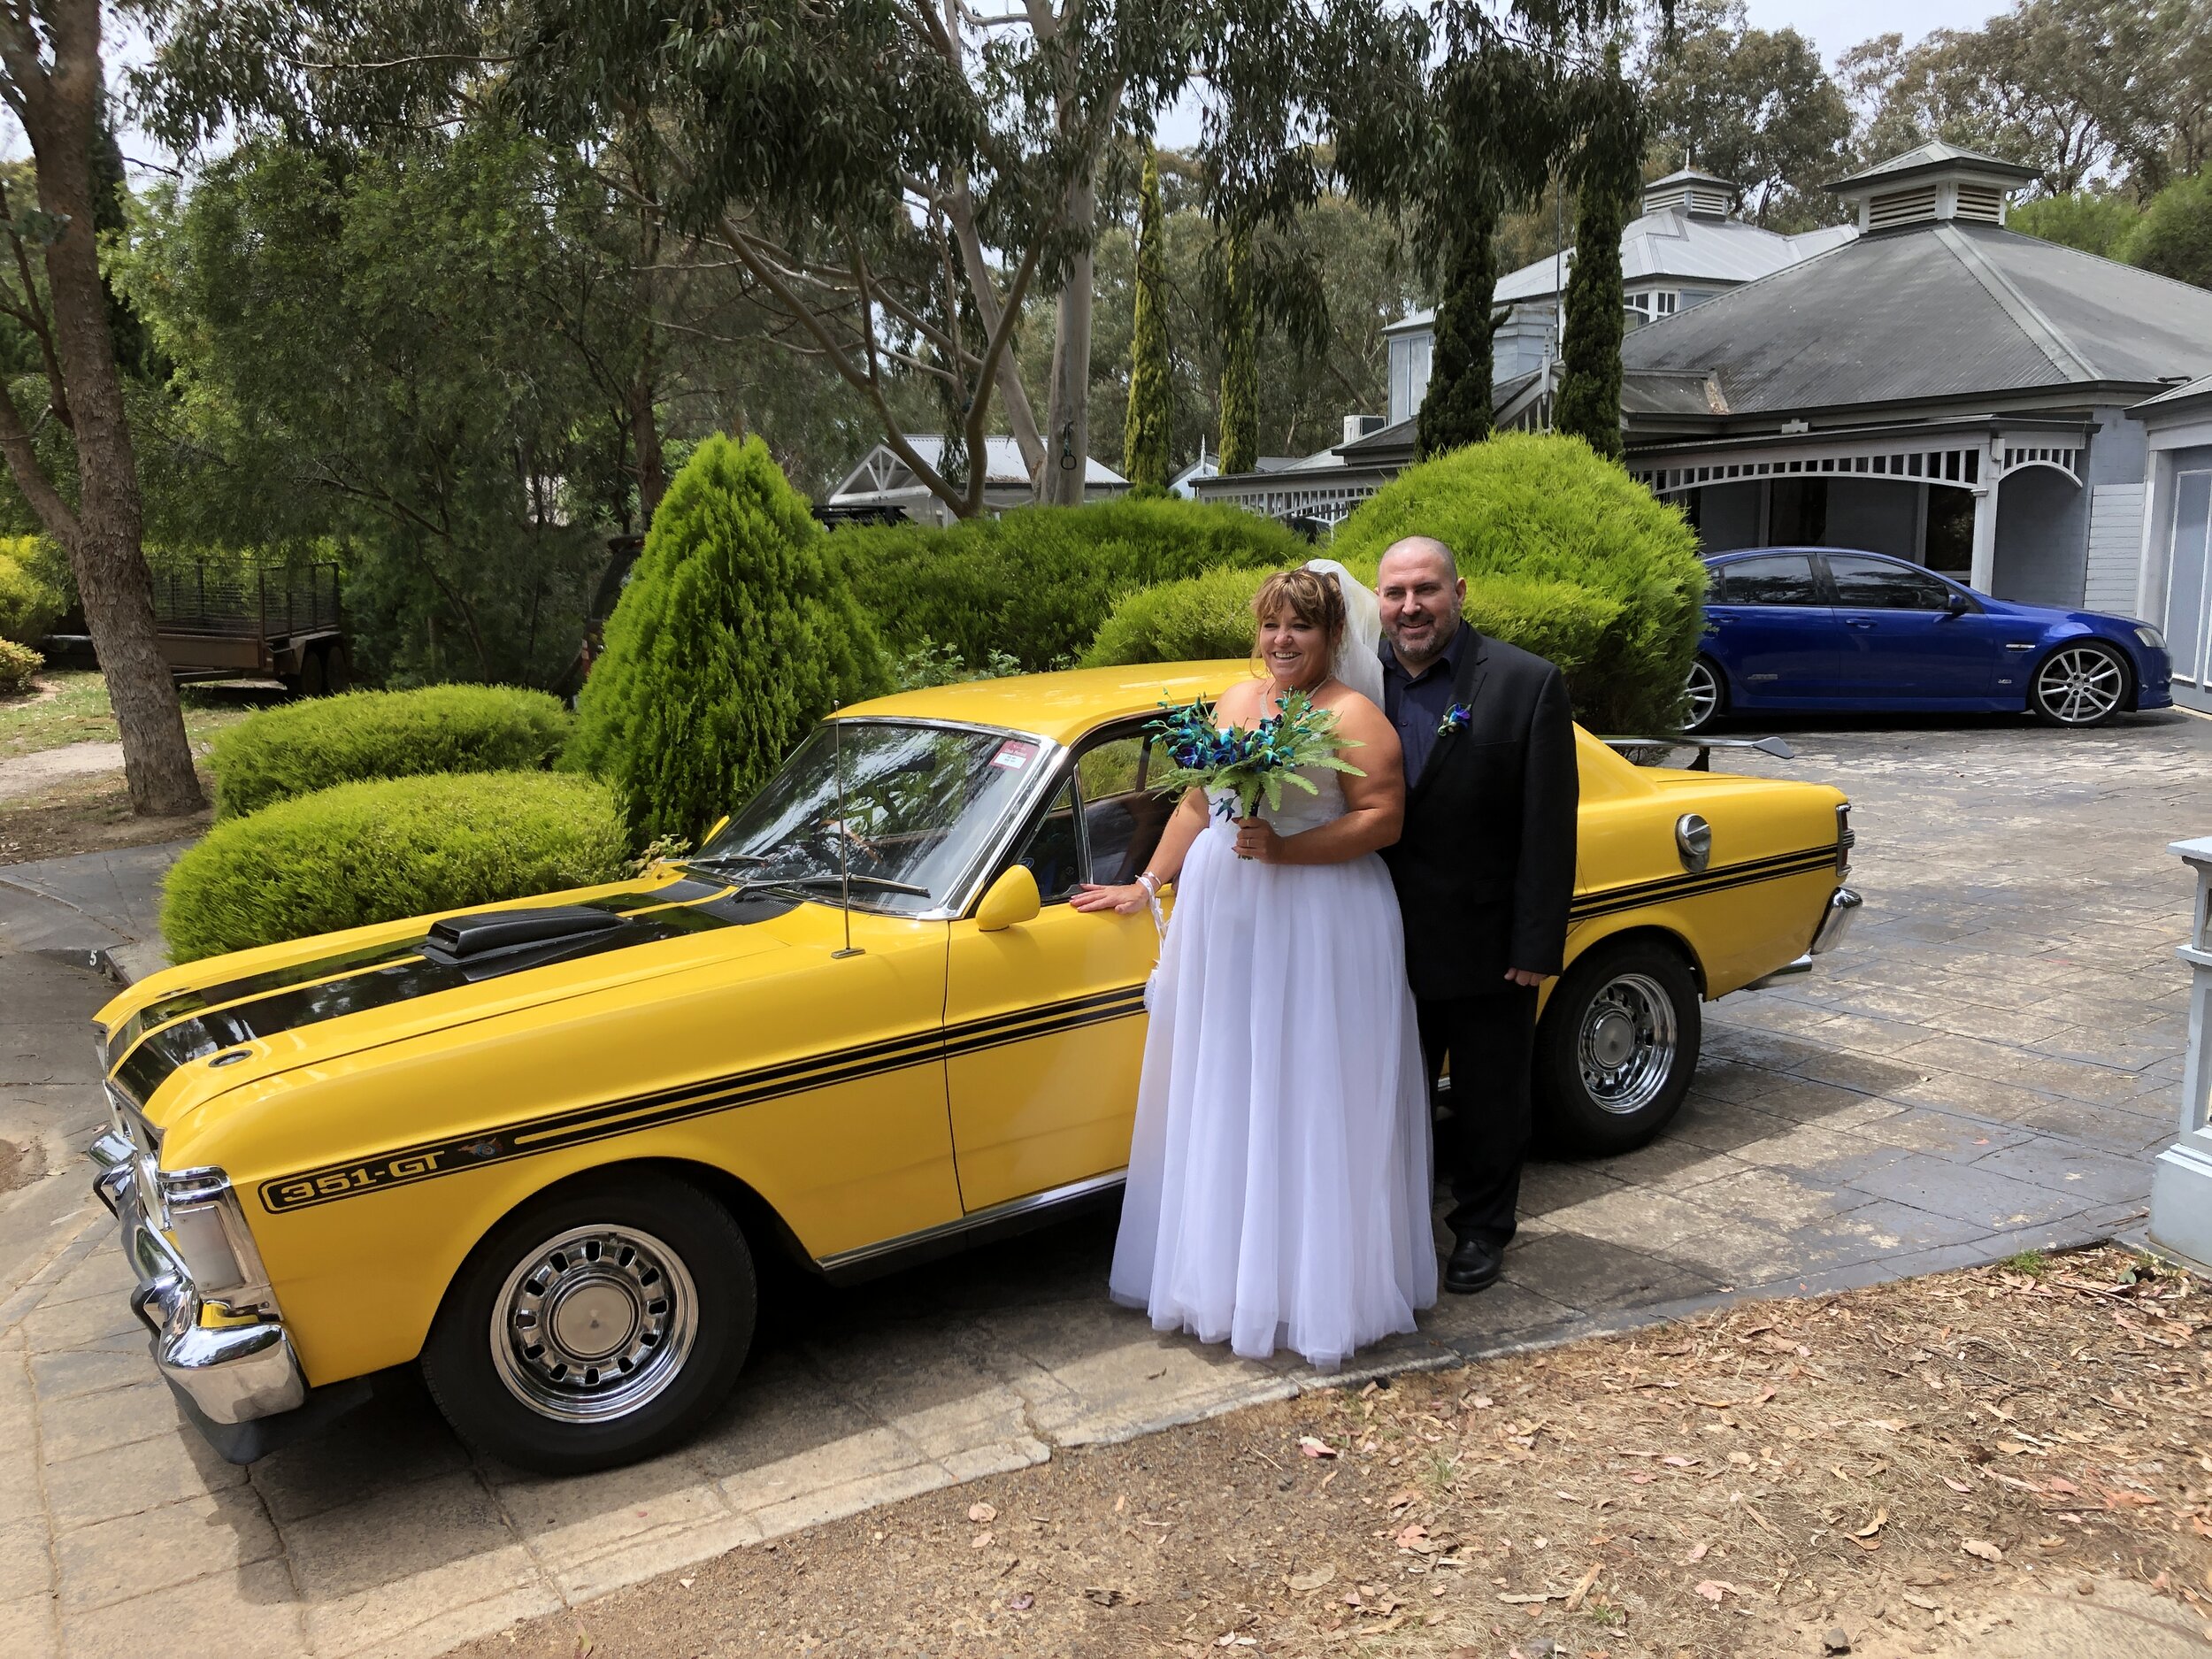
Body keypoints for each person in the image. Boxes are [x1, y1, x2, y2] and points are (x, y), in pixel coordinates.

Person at [1073, 565, 1437, 1370]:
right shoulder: (1237, 704)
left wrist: (1289, 847)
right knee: (1232, 1084)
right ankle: (1227, 1275)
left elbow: (1383, 818)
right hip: (1231, 921)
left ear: (1332, 635)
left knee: (1308, 1086)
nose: (1282, 641)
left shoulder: (1355, 717)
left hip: (1320, 920)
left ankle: (1313, 1287)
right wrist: (1145, 883)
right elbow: (1202, 804)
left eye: (1300, 627)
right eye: (1272, 626)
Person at [1375, 535, 1578, 1296]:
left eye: (1425, 589)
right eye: (1394, 593)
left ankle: (1484, 1229)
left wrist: (1536, 939)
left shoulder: (1526, 683)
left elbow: (1549, 826)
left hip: (1491, 942)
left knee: (1493, 1100)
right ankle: (1398, 1231)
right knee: (1393, 1097)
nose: (1410, 606)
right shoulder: (1358, 686)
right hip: (1382, 939)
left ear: (1460, 590)